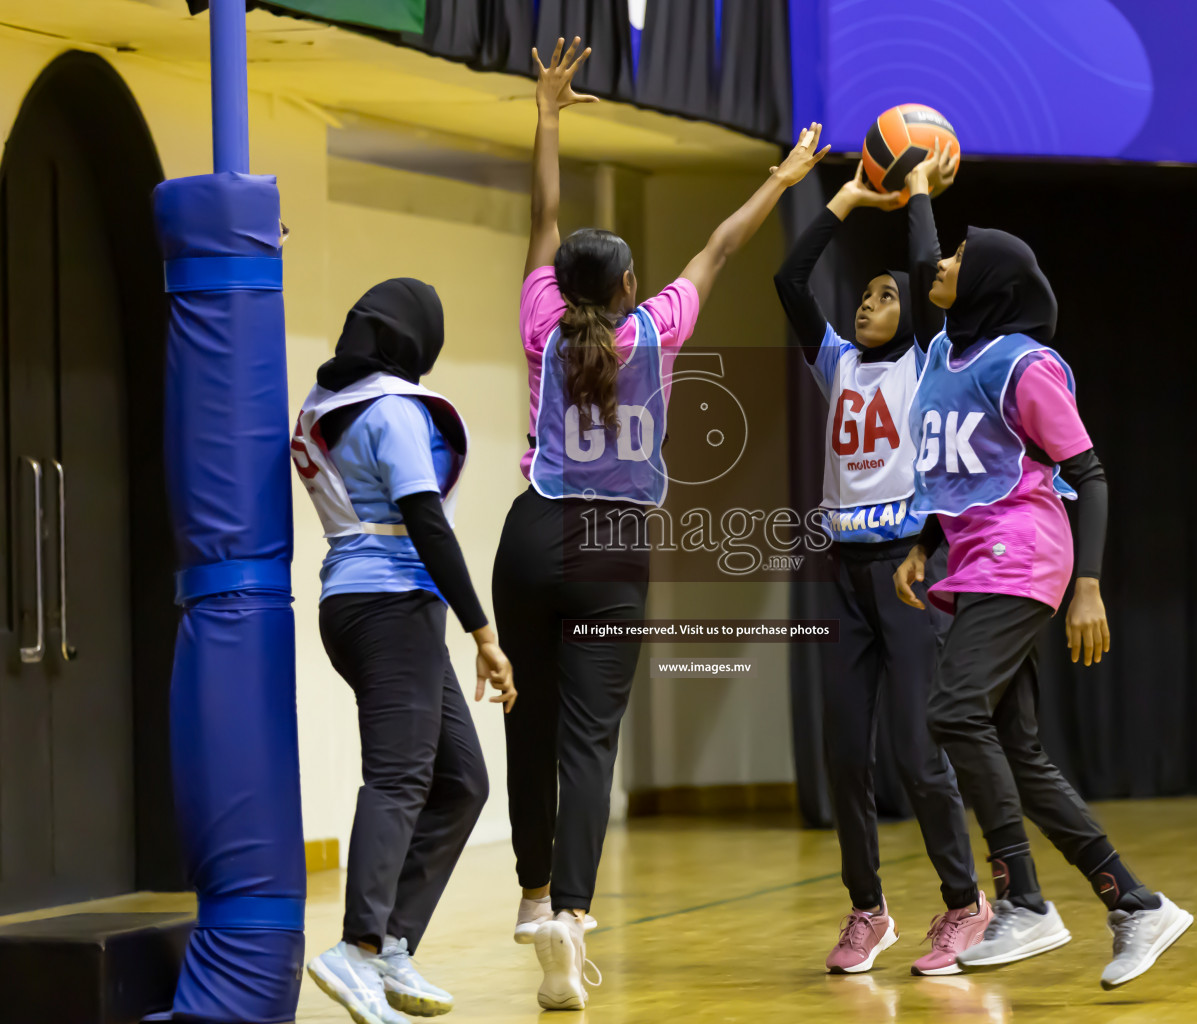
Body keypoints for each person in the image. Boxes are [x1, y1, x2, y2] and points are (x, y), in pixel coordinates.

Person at [493, 37, 829, 1011]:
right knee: (591, 740)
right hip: (613, 547)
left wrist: (550, 113)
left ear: (563, 287)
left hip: (530, 530)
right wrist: (782, 175)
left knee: (531, 718)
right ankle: (572, 917)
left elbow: (544, 214)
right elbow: (722, 245)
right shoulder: (659, 328)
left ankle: (526, 891)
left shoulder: (539, 325)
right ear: (631, 289)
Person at [893, 174, 1193, 989]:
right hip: (973, 556)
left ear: (989, 282)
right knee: (1016, 748)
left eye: (960, 256)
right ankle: (1135, 902)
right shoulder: (946, 356)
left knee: (954, 711)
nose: (941, 262)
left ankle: (1023, 899)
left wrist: (1088, 586)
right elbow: (923, 267)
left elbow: (1088, 474)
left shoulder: (1025, 367)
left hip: (1025, 553)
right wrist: (916, 190)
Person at [773, 152, 994, 975]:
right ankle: (868, 911)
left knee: (914, 749)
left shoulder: (924, 360)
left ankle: (966, 902)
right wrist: (841, 202)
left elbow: (921, 266)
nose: (869, 304)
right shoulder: (835, 362)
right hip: (842, 576)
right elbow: (790, 282)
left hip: (904, 572)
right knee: (844, 755)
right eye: (863, 297)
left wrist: (918, 195)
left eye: (884, 296)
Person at [294, 279, 516, 1024]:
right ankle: (354, 951)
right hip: (390, 605)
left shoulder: (327, 402)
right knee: (398, 777)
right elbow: (427, 521)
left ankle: (391, 943)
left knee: (461, 780)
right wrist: (483, 632)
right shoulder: (391, 410)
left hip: (361, 605)